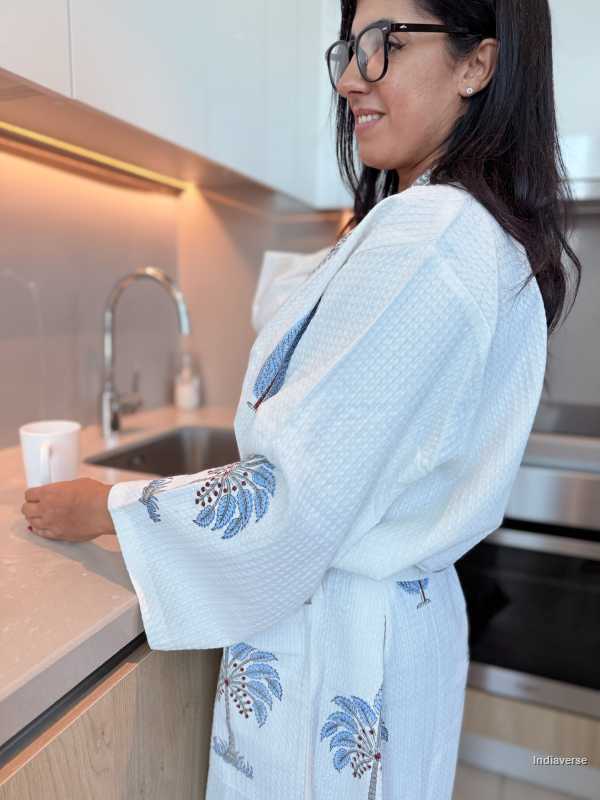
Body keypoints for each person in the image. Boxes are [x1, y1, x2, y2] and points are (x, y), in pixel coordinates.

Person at [21, 0, 582, 797]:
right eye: (351, 47)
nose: (353, 77)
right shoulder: (461, 229)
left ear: (476, 65)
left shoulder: (429, 238)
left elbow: (291, 501)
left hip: (344, 650)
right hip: (400, 633)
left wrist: (108, 508)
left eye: (387, 43)